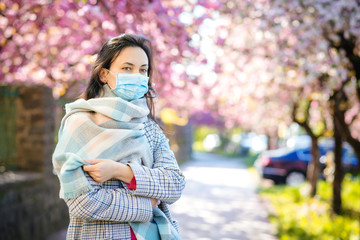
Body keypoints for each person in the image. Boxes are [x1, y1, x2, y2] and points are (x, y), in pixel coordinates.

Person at [52, 34, 185, 240]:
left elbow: (174, 184)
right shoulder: (80, 123)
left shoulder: (148, 127)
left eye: (143, 70)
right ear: (104, 74)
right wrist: (145, 204)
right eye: (127, 68)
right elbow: (82, 202)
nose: (137, 75)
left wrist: (121, 171)